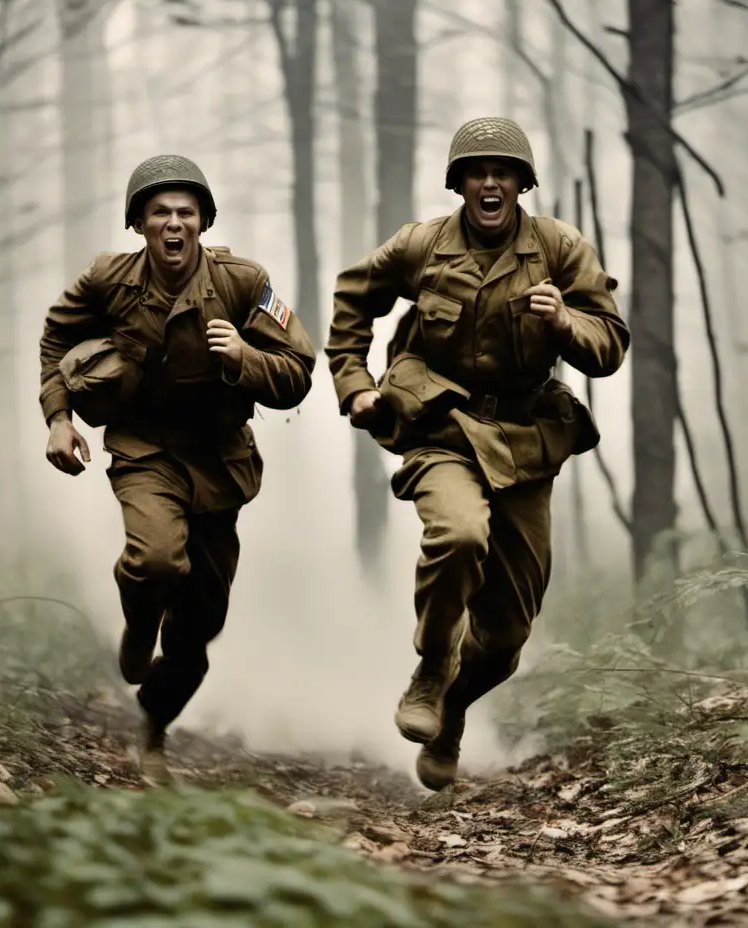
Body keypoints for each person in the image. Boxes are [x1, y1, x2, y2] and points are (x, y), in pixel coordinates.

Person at [325, 117, 630, 791]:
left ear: (522, 183)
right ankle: (432, 669)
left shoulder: (558, 247)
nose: (490, 182)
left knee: (507, 639)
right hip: (440, 427)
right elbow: (353, 299)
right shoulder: (422, 245)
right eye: (477, 171)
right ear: (459, 183)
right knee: (459, 534)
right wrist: (355, 385)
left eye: (503, 172)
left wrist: (564, 323)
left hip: (525, 443)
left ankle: (454, 706)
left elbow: (609, 344)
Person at [38, 154, 316, 782]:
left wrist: (245, 357)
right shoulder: (108, 279)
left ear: (203, 223)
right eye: (159, 212)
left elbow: (297, 373)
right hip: (145, 449)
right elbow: (56, 339)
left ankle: (153, 726)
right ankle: (139, 624)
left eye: (185, 213)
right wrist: (59, 417)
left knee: (198, 634)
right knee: (157, 557)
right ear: (138, 222)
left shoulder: (244, 283)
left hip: (220, 461)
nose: (173, 224)